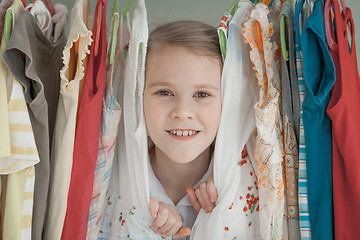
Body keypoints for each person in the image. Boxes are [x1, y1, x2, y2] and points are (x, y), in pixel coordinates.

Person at [143, 20, 223, 239]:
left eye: (202, 94)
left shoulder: (242, 187)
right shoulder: (114, 177)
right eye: (164, 92)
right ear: (138, 96)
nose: (182, 111)